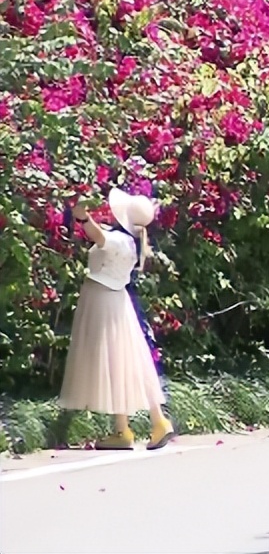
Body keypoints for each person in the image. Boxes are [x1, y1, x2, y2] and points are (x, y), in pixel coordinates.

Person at [60, 188, 175, 450]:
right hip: (117, 302)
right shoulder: (132, 241)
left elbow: (98, 237)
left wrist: (82, 219)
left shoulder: (118, 240)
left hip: (103, 300)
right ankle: (135, 427)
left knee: (113, 362)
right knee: (123, 362)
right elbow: (102, 235)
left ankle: (134, 428)